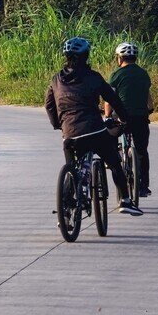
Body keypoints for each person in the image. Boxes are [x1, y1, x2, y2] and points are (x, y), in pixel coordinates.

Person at [45, 37, 143, 215]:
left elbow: (49, 105)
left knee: (72, 168)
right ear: (86, 56)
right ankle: (125, 201)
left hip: (69, 134)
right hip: (94, 130)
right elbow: (113, 99)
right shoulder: (94, 77)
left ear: (66, 57)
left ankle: (66, 208)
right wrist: (124, 119)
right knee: (114, 162)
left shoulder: (56, 79)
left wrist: (58, 124)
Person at [104, 42, 152, 197]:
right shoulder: (143, 74)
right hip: (140, 118)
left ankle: (115, 157)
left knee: (109, 134)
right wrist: (149, 110)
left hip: (121, 118)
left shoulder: (116, 75)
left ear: (120, 58)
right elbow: (148, 97)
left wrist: (107, 116)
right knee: (142, 151)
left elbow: (109, 99)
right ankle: (143, 186)